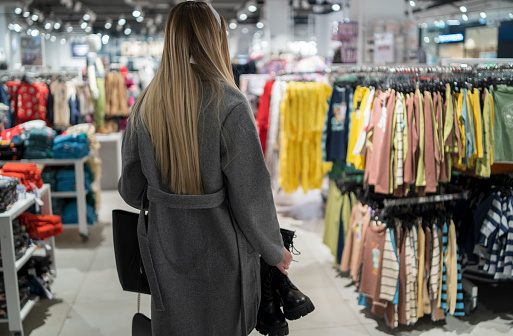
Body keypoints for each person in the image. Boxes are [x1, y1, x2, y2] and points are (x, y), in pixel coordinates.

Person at [118, 2, 293, 335]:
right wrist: (274, 249)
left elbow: (130, 191)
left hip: (165, 250)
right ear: (216, 39)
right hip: (222, 252)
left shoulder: (146, 104)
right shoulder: (229, 103)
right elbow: (251, 196)